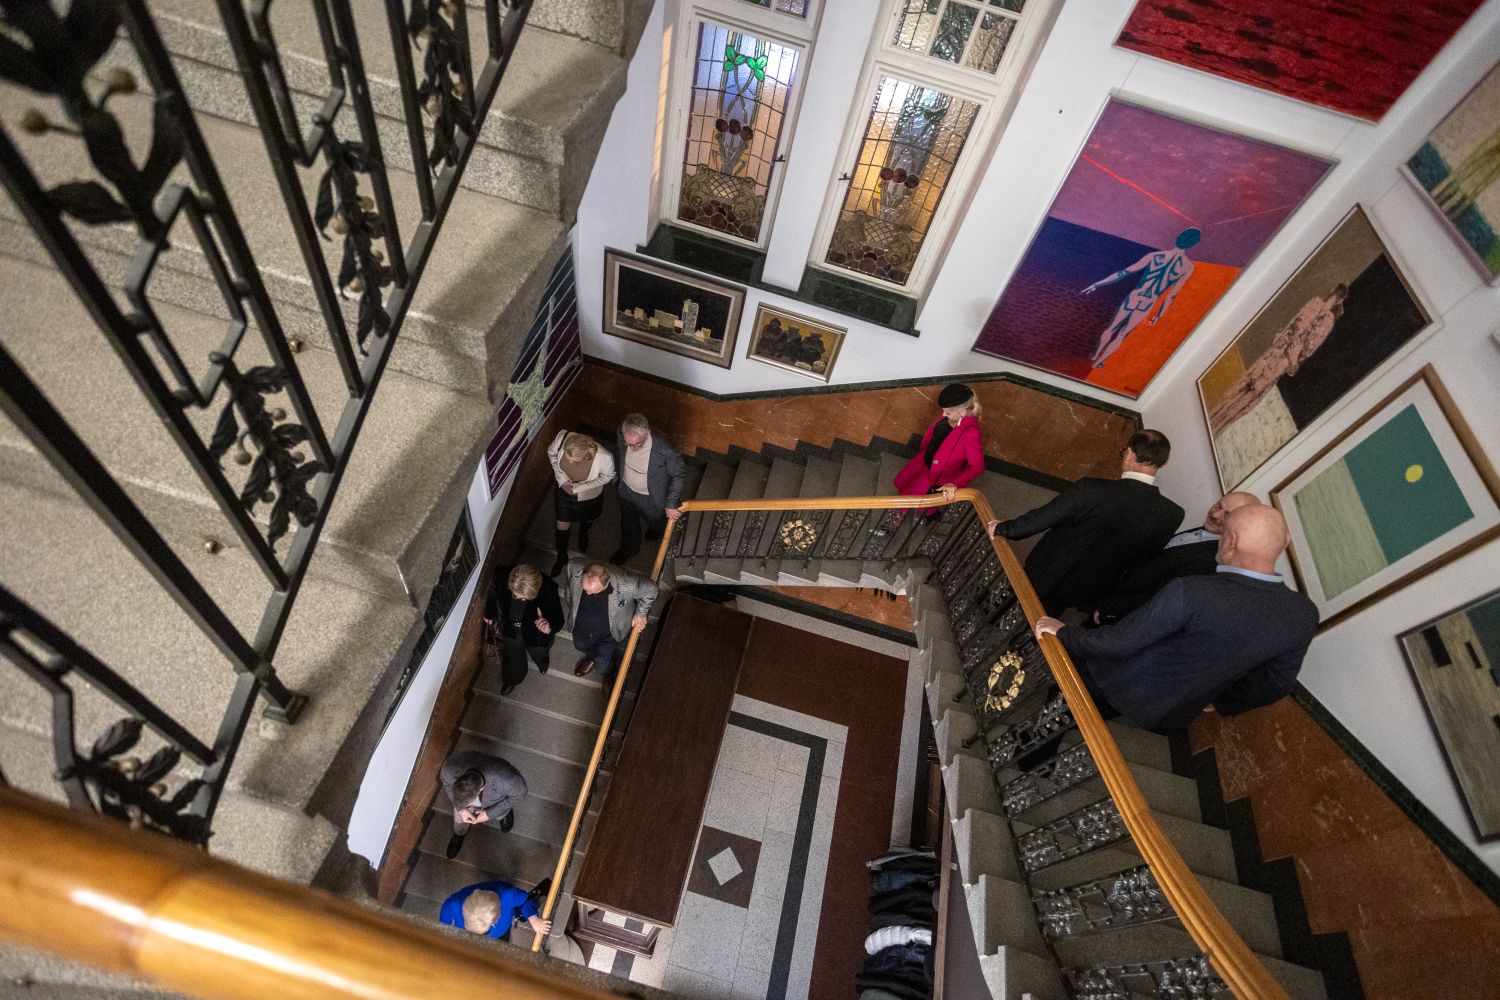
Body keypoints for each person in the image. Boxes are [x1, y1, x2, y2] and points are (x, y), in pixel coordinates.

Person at [1034, 505, 1318, 729]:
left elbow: (1117, 643)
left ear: (1231, 541)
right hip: (1167, 707)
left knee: (1055, 715)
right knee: (1089, 719)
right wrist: (1220, 702)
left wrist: (1063, 631)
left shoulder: (1192, 591)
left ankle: (1031, 750)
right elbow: (1274, 685)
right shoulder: (1303, 614)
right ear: (1284, 543)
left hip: (1112, 680)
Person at [987, 430, 1183, 615]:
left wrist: (1006, 528)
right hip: (1091, 586)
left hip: (1048, 567)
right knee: (1046, 615)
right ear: (1161, 463)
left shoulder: (1092, 488)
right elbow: (1141, 562)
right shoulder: (1171, 514)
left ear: (1130, 453)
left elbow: (1045, 516)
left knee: (1012, 598)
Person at [1089, 491, 1260, 625]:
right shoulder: (1205, 531)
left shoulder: (1212, 561)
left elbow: (1160, 597)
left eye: (1227, 514)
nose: (1215, 514)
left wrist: (1111, 610)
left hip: (1121, 616)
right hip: (1114, 595)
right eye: (1218, 505)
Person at [1208, 285, 1349, 434]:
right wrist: (1280, 336)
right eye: (1335, 295)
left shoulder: (1327, 322)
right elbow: (1292, 324)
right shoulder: (1315, 302)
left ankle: (1214, 428)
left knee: (1243, 402)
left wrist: (1293, 358)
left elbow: (1298, 363)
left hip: (1280, 365)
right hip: (1272, 354)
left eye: (1336, 297)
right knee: (1238, 389)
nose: (1333, 298)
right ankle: (1211, 419)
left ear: (1338, 300)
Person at [876, 383, 984, 538]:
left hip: (935, 475)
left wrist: (955, 483)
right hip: (923, 461)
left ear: (963, 410)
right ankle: (931, 514)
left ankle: (888, 525)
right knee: (912, 489)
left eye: (948, 411)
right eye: (943, 410)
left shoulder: (971, 433)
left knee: (906, 497)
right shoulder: (946, 417)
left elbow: (977, 466)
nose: (943, 414)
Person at [1082, 227, 1199, 368]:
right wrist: (1158, 315)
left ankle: (1095, 354)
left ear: (1178, 238)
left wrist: (1098, 283)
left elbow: (1124, 272)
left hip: (1135, 296)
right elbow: (1171, 295)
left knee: (1112, 328)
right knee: (1122, 335)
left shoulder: (1154, 256)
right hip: (1148, 302)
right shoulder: (1187, 267)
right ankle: (1098, 362)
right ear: (1193, 244)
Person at [611, 413, 685, 564]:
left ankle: (657, 531)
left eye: (636, 444)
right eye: (627, 443)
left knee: (656, 520)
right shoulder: (621, 432)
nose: (631, 449)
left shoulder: (665, 448)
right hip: (626, 490)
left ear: (647, 433)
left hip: (651, 496)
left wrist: (671, 502)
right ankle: (629, 549)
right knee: (628, 522)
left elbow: (678, 474)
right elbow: (620, 453)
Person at [564, 559, 656, 679]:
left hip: (609, 633)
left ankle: (609, 672)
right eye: (584, 587)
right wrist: (570, 602)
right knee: (580, 645)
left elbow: (651, 589)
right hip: (581, 626)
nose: (588, 593)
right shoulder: (574, 566)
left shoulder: (626, 584)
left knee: (601, 666)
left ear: (606, 584)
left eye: (592, 591)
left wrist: (640, 614)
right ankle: (591, 658)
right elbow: (569, 587)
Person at [483, 564, 565, 695]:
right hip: (511, 629)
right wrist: (489, 613)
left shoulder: (548, 588)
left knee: (539, 651)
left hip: (536, 633)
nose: (520, 600)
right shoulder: (501, 575)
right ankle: (513, 678)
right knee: (513, 657)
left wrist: (549, 627)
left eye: (524, 598)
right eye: (516, 595)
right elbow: (493, 593)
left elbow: (558, 618)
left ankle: (542, 663)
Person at [546, 430, 616, 578]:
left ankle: (583, 533)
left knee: (588, 518)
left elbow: (608, 476)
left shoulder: (604, 457)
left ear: (585, 455)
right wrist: (562, 477)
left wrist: (580, 487)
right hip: (564, 492)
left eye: (575, 461)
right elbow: (551, 453)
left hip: (589, 495)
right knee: (561, 523)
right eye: (567, 458)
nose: (570, 463)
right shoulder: (561, 438)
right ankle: (561, 556)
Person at [439, 749, 528, 859]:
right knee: (459, 816)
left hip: (495, 797)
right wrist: (461, 809)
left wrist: (489, 814)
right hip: (469, 793)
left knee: (501, 807)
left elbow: (520, 793)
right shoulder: (451, 767)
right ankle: (459, 834)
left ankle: (503, 815)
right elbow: (445, 781)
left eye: (468, 804)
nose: (464, 806)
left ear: (481, 788)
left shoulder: (506, 779)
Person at [440, 878, 552, 941]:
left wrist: (533, 919)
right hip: (470, 938)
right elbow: (443, 922)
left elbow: (524, 900)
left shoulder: (508, 895)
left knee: (504, 941)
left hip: (501, 932)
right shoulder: (454, 904)